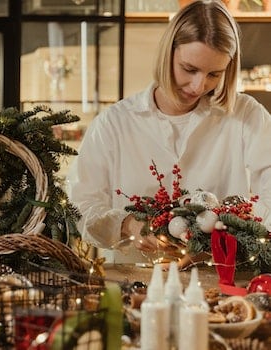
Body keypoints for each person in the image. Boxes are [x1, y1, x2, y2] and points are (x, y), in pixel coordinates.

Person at [67, 0, 271, 264]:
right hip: (136, 281)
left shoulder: (246, 115)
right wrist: (127, 224)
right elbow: (80, 207)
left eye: (214, 74)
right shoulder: (114, 124)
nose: (198, 86)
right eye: (189, 69)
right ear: (167, 53)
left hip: (222, 282)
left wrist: (232, 229)